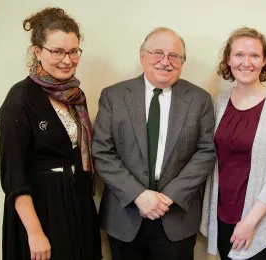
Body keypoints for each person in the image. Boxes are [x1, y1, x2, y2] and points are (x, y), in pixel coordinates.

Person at [92, 27, 216, 260]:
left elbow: (206, 152)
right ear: (142, 55)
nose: (165, 62)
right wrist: (138, 195)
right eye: (158, 53)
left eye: (174, 56)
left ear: (182, 61)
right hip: (125, 215)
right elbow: (101, 151)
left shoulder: (199, 99)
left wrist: (170, 195)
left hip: (176, 215)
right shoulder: (114, 96)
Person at [0, 7, 101, 260]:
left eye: (73, 51)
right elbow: (14, 177)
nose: (67, 60)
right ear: (38, 51)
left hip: (76, 201)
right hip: (42, 209)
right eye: (57, 51)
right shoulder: (19, 100)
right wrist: (35, 233)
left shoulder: (74, 96)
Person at [200, 27, 266, 259]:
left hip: (258, 218)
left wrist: (250, 221)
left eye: (254, 55)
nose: (247, 62)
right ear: (228, 60)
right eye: (239, 55)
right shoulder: (218, 102)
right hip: (221, 212)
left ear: (265, 61)